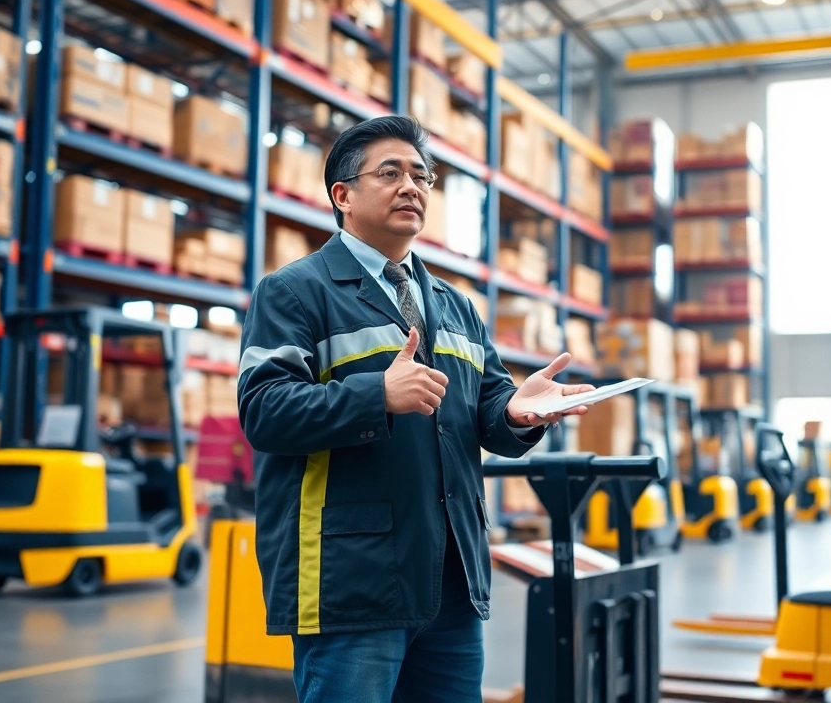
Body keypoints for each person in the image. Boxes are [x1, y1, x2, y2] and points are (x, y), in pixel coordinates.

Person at [238, 115, 594, 702]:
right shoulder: (295, 291)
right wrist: (375, 394)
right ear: (343, 196)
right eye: (390, 173)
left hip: (451, 576)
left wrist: (515, 412)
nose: (412, 186)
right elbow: (265, 411)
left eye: (421, 176)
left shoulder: (456, 306)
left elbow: (484, 411)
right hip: (352, 577)